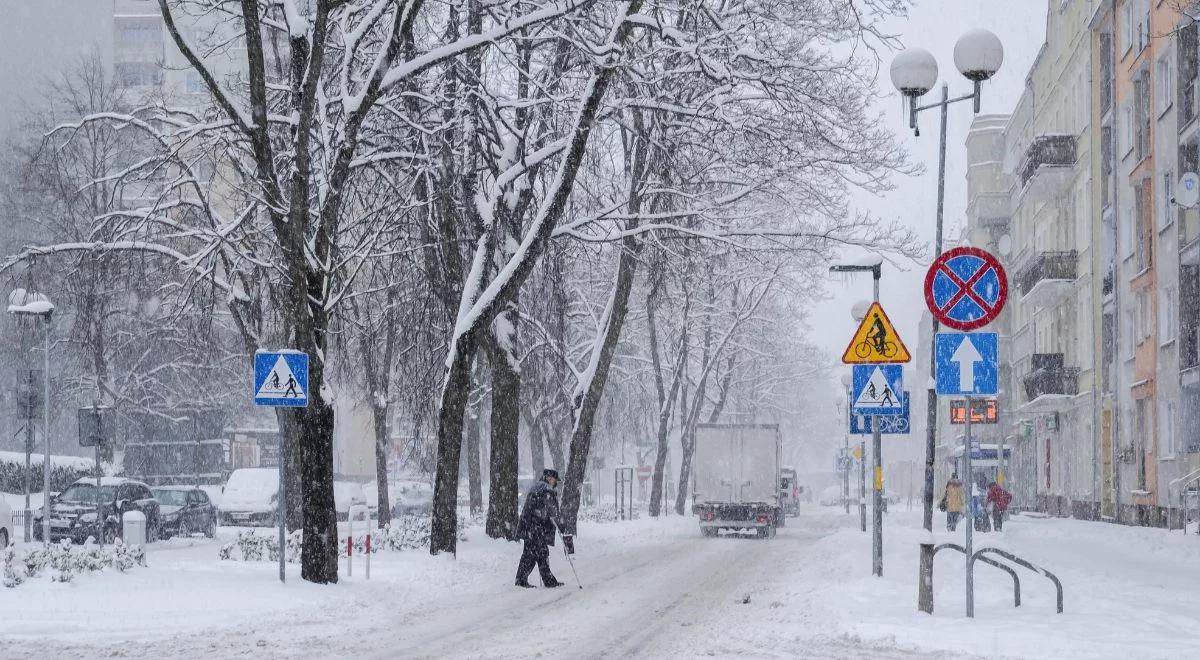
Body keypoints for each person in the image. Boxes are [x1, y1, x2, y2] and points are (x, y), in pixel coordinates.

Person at [515, 468, 567, 588]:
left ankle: (527, 580)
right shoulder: (547, 489)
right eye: (555, 480)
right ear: (549, 478)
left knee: (535, 554)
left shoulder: (537, 486)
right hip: (536, 528)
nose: (555, 483)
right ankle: (525, 581)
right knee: (536, 554)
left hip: (529, 527)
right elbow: (552, 511)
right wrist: (561, 525)